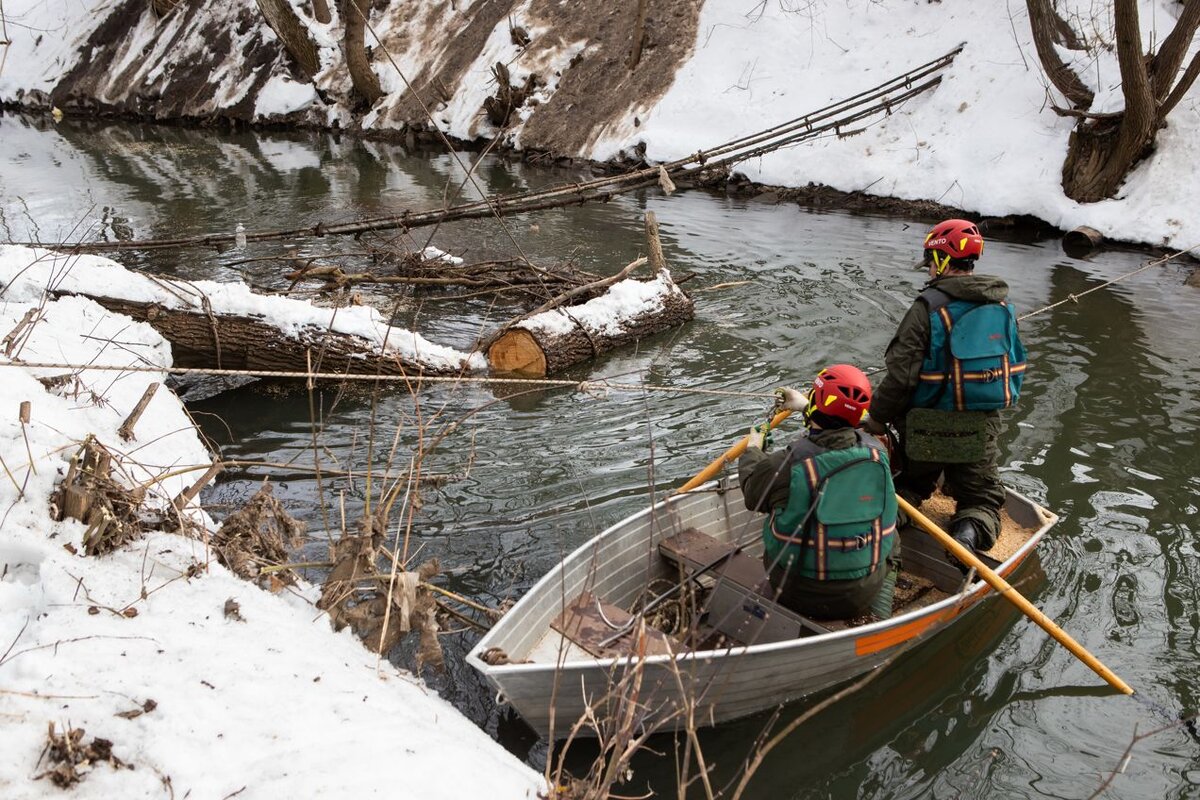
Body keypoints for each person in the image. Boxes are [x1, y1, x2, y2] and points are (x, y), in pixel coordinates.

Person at [865, 218, 1026, 558]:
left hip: (924, 428)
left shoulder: (926, 309)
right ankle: (966, 538)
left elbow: (901, 378)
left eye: (930, 262)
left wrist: (876, 419)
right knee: (981, 500)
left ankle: (884, 531)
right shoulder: (1003, 307)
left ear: (940, 260)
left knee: (909, 486)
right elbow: (1014, 370)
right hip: (978, 429)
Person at [738, 364, 899, 620]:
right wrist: (803, 407)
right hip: (862, 593)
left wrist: (753, 450)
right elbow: (838, 431)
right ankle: (879, 613)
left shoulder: (786, 464)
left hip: (797, 592)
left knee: (778, 507)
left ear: (817, 401)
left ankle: (877, 616)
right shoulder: (877, 453)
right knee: (893, 537)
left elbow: (752, 495)